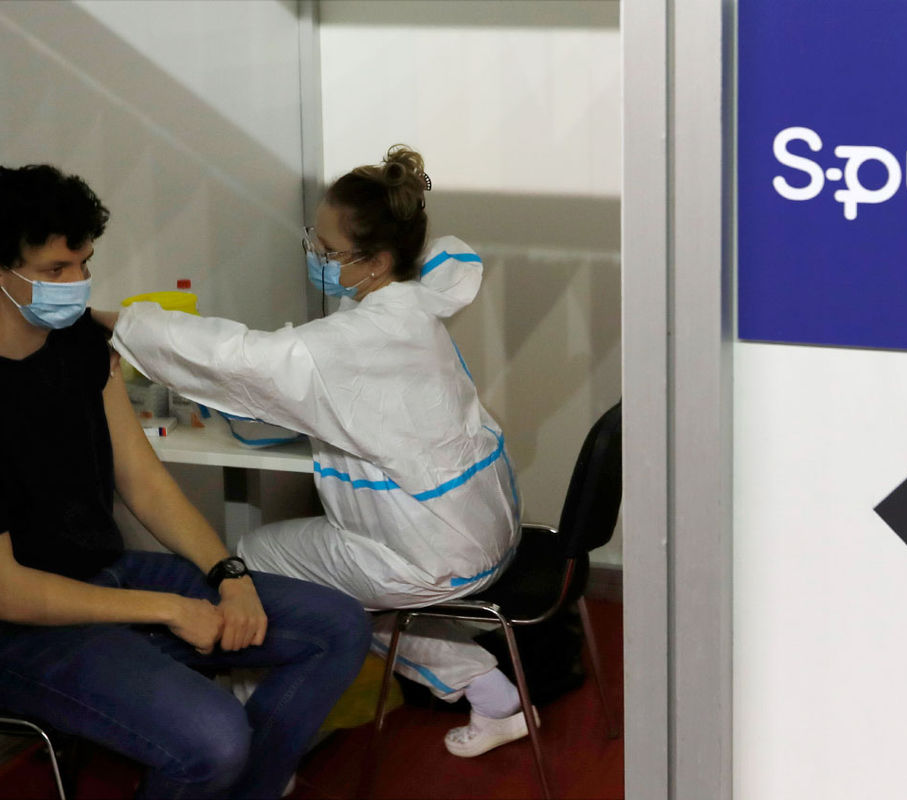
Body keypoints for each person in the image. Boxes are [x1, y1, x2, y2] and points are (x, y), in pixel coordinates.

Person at [107, 145, 527, 757]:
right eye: (315, 242)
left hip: (432, 550)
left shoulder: (362, 334)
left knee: (254, 564)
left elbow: (243, 358)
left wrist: (118, 322)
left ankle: (258, 739)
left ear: (378, 262)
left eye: (329, 252)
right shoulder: (414, 299)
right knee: (340, 588)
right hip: (484, 525)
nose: (316, 258)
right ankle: (493, 695)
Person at [0, 163, 371, 800]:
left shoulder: (80, 344)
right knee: (214, 739)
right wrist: (170, 609)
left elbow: (142, 481)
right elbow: (9, 591)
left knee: (337, 627)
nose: (77, 284)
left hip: (109, 574)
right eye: (55, 270)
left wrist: (229, 574)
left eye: (84, 264)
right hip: (23, 629)